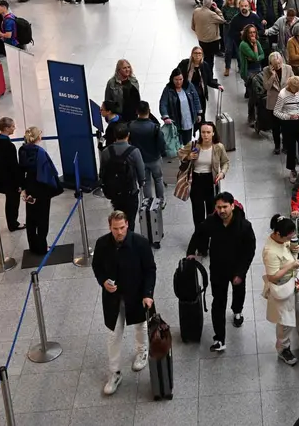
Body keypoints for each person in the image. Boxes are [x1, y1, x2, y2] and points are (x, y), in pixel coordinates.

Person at [93, 210, 157, 395]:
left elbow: (150, 269)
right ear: (109, 227)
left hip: (136, 295)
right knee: (113, 334)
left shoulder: (140, 243)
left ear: (127, 224)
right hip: (113, 298)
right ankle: (114, 372)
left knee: (140, 325)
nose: (119, 232)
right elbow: (97, 266)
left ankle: (142, 351)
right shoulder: (102, 244)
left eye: (122, 228)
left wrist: (148, 294)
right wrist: (104, 281)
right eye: (115, 228)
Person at [187, 191, 255, 352]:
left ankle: (237, 311)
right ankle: (219, 338)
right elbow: (199, 233)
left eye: (225, 207)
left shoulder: (244, 226)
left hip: (237, 269)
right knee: (218, 302)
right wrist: (191, 251)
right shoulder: (212, 221)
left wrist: (241, 272)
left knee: (239, 292)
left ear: (232, 206)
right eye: (219, 207)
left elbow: (249, 250)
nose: (222, 210)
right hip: (217, 269)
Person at [262, 214, 299, 367]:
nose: (289, 239)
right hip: (282, 289)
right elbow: (273, 277)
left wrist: (294, 250)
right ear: (278, 234)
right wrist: (291, 266)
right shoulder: (270, 251)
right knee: (285, 323)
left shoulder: (283, 239)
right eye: (288, 237)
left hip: (294, 283)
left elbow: (290, 256)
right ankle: (283, 349)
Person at [17, 127, 61, 255]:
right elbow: (46, 173)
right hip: (41, 189)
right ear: (38, 137)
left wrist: (23, 188)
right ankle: (42, 246)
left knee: (31, 219)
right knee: (42, 219)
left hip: (29, 186)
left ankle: (33, 245)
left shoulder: (22, 150)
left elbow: (21, 170)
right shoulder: (40, 152)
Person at [179, 121, 230, 227]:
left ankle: (211, 231)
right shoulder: (194, 145)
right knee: (198, 210)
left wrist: (222, 173)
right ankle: (200, 232)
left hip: (210, 180)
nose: (205, 135)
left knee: (212, 209)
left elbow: (225, 162)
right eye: (203, 132)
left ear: (213, 133)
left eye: (208, 132)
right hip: (196, 180)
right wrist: (188, 157)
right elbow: (180, 153)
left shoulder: (218, 147)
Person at [101, 120, 147, 226]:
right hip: (130, 191)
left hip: (114, 192)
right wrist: (141, 183)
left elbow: (102, 171)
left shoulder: (106, 152)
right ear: (128, 135)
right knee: (130, 220)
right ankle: (128, 236)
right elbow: (141, 172)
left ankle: (119, 233)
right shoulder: (134, 151)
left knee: (118, 215)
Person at [127, 101, 167, 205]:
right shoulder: (154, 127)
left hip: (140, 160)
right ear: (149, 111)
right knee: (158, 179)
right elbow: (161, 143)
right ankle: (161, 201)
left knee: (146, 182)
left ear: (137, 112)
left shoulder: (131, 126)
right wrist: (162, 153)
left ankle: (149, 203)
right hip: (154, 158)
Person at [0, 117, 23, 231]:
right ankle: (13, 223)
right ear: (6, 128)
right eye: (12, 126)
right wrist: (19, 183)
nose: (14, 128)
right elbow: (14, 166)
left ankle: (12, 222)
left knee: (10, 199)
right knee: (13, 201)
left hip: (2, 174)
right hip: (10, 178)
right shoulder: (9, 146)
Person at [274, 76, 299, 178]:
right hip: (288, 124)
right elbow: (276, 112)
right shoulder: (282, 95)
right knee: (291, 148)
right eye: (297, 90)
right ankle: (292, 169)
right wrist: (289, 116)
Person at [160, 69, 203, 144]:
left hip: (188, 120)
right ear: (172, 79)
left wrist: (199, 113)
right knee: (177, 142)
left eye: (180, 79)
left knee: (187, 142)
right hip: (175, 121)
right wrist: (165, 117)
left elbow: (196, 98)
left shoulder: (189, 86)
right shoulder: (168, 89)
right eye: (176, 79)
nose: (178, 82)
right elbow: (163, 103)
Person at [263, 52, 293, 154]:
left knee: (285, 125)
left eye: (279, 63)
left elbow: (293, 82)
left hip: (285, 101)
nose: (278, 66)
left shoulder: (288, 68)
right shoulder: (266, 71)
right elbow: (266, 87)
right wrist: (272, 75)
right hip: (274, 103)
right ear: (271, 64)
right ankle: (277, 145)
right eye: (275, 65)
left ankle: (285, 145)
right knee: (275, 126)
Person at [176, 46, 221, 112]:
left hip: (200, 94)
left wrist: (218, 85)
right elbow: (176, 75)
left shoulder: (205, 66)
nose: (197, 55)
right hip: (187, 92)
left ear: (202, 55)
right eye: (195, 53)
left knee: (201, 112)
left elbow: (209, 80)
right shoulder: (184, 64)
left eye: (199, 53)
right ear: (192, 54)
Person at [104, 59, 141, 124]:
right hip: (119, 116)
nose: (127, 70)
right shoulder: (111, 83)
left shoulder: (133, 80)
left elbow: (137, 98)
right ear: (119, 70)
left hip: (133, 116)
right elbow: (107, 100)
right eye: (124, 68)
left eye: (128, 67)